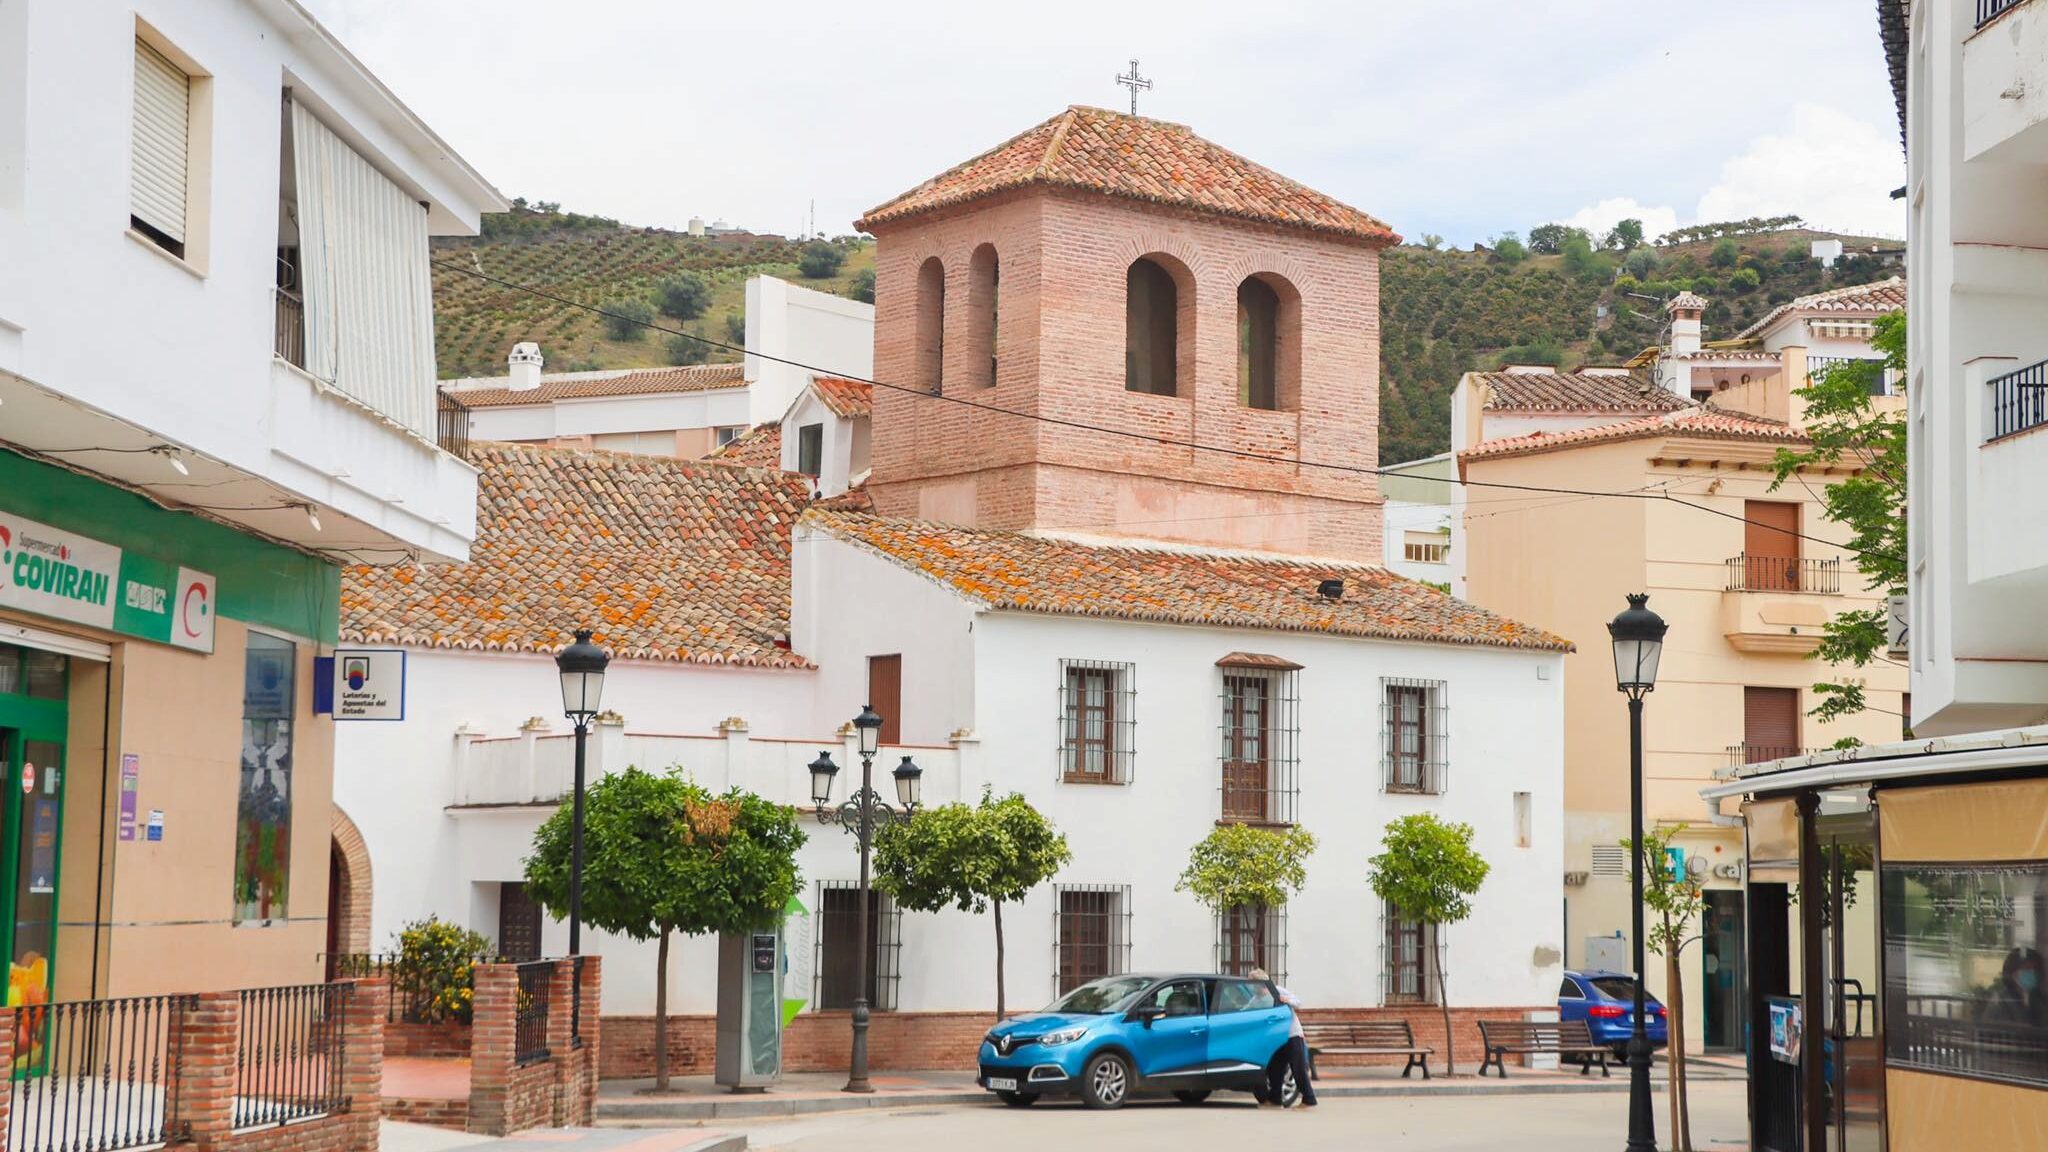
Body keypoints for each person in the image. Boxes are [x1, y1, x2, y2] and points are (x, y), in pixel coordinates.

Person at [1250, 967, 1317, 1108]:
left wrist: (1287, 1000)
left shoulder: (1278, 991)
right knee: (1275, 1068)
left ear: (1262, 983)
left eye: (1253, 983)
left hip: (1292, 1035)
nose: (1252, 987)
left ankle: (1309, 1100)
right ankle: (1275, 1100)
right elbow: (1247, 1011)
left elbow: (1298, 1002)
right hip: (1276, 1039)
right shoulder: (1256, 1000)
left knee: (1297, 1068)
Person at [1984, 946, 2048, 1029]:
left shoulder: (2041, 1000)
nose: (2032, 973)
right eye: (2027, 968)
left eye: (2035, 969)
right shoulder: (2001, 1002)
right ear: (2012, 972)